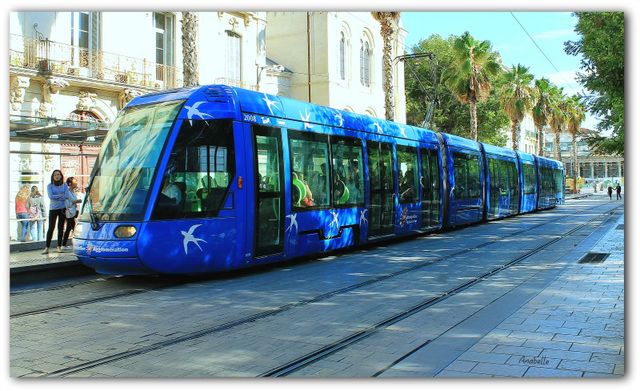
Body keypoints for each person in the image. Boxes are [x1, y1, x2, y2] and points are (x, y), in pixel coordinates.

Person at [43, 170, 69, 254]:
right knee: (51, 228)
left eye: (58, 174)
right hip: (53, 209)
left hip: (62, 208)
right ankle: (47, 247)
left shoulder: (65, 185)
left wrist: (57, 197)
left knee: (61, 227)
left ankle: (59, 246)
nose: (57, 176)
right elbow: (51, 196)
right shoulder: (49, 186)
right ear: (53, 176)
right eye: (55, 175)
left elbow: (67, 196)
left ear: (61, 176)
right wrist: (61, 195)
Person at [61, 177, 83, 250]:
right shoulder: (67, 192)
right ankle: (79, 243)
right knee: (74, 228)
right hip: (69, 213)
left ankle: (64, 244)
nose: (76, 183)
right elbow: (67, 203)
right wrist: (76, 202)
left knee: (68, 228)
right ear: (70, 184)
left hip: (72, 212)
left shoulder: (73, 192)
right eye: (74, 182)